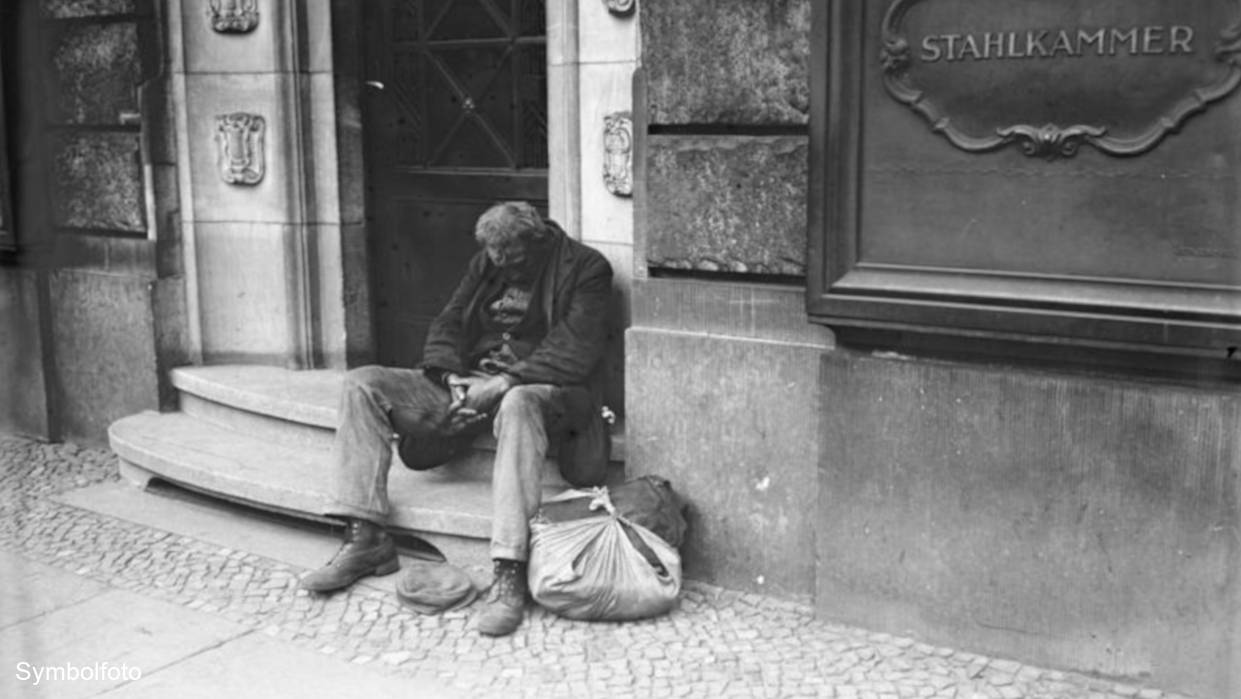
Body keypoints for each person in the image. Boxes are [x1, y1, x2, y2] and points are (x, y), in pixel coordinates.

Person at [300, 201, 614, 638]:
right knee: (362, 383)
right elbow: (448, 320)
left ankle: (509, 570)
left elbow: (574, 349)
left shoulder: (587, 268)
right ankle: (366, 536)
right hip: (472, 379)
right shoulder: (488, 261)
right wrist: (450, 379)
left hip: (543, 388)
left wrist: (504, 382)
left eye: (513, 260)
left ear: (538, 240)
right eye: (496, 258)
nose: (504, 267)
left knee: (518, 403)